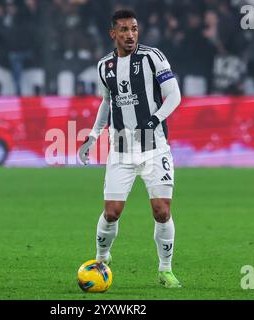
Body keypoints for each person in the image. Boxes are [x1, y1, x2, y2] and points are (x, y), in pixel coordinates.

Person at [78, 9, 182, 288]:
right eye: (124, 30)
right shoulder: (104, 67)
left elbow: (174, 95)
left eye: (134, 29)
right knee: (111, 212)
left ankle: (165, 270)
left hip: (154, 146)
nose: (130, 35)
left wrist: (155, 118)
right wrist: (93, 135)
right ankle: (101, 258)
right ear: (113, 34)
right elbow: (106, 103)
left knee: (161, 210)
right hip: (121, 147)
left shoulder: (153, 57)